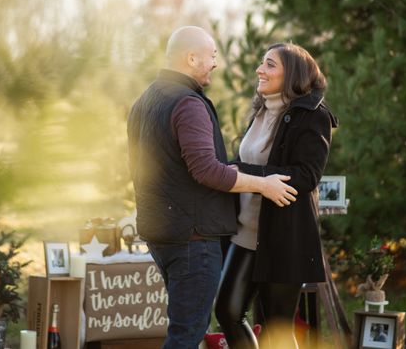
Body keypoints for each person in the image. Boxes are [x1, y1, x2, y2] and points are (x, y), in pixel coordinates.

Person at [127, 27, 298, 349]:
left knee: (185, 325)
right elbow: (206, 171)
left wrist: (232, 170)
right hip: (192, 239)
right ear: (191, 58)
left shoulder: (146, 99)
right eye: (213, 56)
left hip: (161, 232)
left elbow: (158, 167)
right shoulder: (187, 104)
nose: (216, 64)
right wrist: (263, 184)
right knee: (187, 333)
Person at [215, 42, 338, 348]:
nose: (260, 69)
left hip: (284, 238)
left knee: (278, 331)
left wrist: (243, 173)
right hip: (245, 234)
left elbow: (306, 176)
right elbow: (249, 165)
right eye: (262, 63)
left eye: (270, 64)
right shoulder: (260, 110)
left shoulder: (313, 116)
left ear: (291, 74)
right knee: (228, 312)